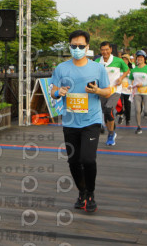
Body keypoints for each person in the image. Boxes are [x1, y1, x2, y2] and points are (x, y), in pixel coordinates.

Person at [50, 30, 111, 213]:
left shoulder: (98, 68)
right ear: (69, 46)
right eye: (74, 46)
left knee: (88, 159)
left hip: (91, 120)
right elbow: (53, 90)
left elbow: (108, 91)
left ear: (87, 47)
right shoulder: (61, 68)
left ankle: (90, 193)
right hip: (70, 122)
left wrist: (97, 91)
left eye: (81, 46)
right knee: (74, 161)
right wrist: (58, 92)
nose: (77, 49)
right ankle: (82, 192)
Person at [95, 42, 129, 146]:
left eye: (107, 49)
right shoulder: (97, 62)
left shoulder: (118, 61)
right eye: (103, 50)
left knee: (108, 109)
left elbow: (127, 70)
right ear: (100, 50)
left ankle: (110, 134)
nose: (105, 52)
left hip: (115, 90)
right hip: (102, 91)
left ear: (110, 49)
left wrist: (121, 78)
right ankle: (112, 130)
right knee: (106, 113)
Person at [129, 50, 147, 134]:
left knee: (146, 110)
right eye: (138, 57)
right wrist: (130, 85)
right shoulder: (134, 69)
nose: (139, 59)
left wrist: (143, 84)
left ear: (144, 59)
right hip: (136, 92)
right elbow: (130, 79)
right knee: (137, 110)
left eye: (141, 57)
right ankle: (139, 127)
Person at [117, 53, 133, 126]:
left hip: (128, 90)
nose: (124, 61)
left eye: (126, 59)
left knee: (127, 105)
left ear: (128, 61)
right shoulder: (118, 69)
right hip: (120, 89)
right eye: (123, 59)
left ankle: (128, 119)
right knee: (119, 103)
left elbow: (133, 79)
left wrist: (131, 85)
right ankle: (121, 115)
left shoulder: (131, 70)